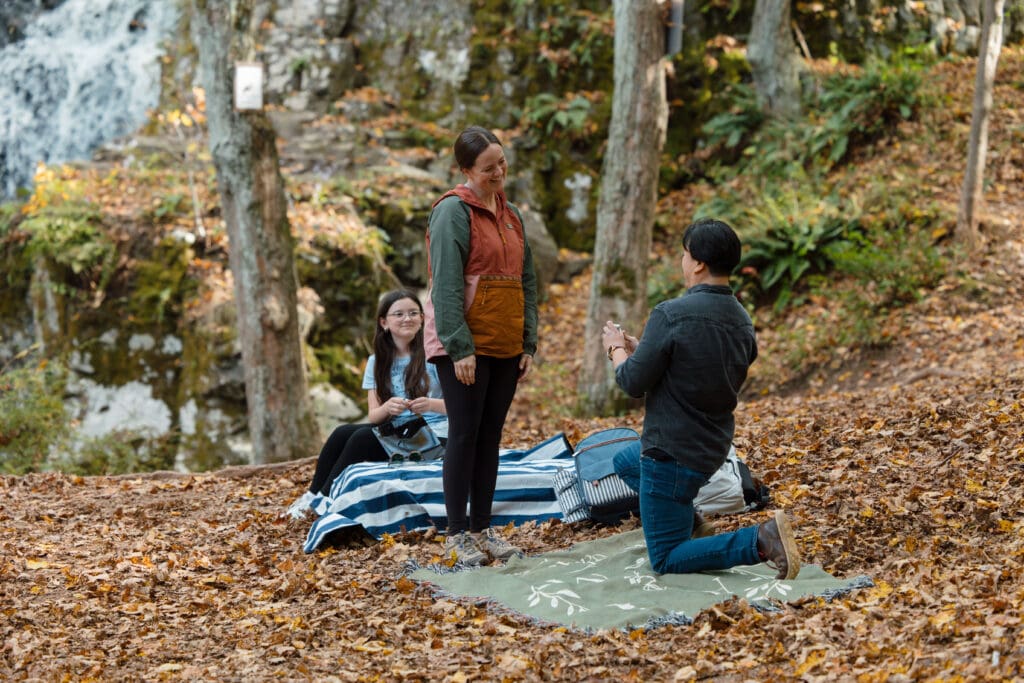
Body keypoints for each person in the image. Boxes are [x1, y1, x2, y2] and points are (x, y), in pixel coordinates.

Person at [602, 218, 800, 580]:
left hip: (671, 452)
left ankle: (758, 540)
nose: (682, 260)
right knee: (627, 460)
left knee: (666, 558)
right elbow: (700, 365)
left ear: (698, 264)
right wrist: (642, 348)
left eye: (684, 253)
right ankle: (692, 522)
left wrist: (616, 348)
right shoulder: (742, 320)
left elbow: (631, 381)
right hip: (711, 447)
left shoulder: (670, 313)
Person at [422, 125, 539, 566]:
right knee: (464, 434)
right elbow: (446, 284)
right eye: (488, 167)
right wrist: (459, 347)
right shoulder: (453, 212)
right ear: (466, 169)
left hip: (506, 343)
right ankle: (457, 535)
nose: (498, 172)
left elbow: (526, 282)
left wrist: (528, 341)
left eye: (502, 163)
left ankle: (483, 529)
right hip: (464, 346)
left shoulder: (512, 216)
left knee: (490, 437)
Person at [307, 289, 447, 497]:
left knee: (363, 438)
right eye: (398, 314)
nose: (407, 318)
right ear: (384, 323)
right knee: (341, 432)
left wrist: (429, 404)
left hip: (434, 437)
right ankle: (312, 496)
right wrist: (387, 407)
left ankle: (326, 498)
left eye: (413, 313)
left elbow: (459, 407)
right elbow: (374, 416)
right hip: (399, 432)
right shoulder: (376, 362)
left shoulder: (435, 355)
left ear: (422, 318)